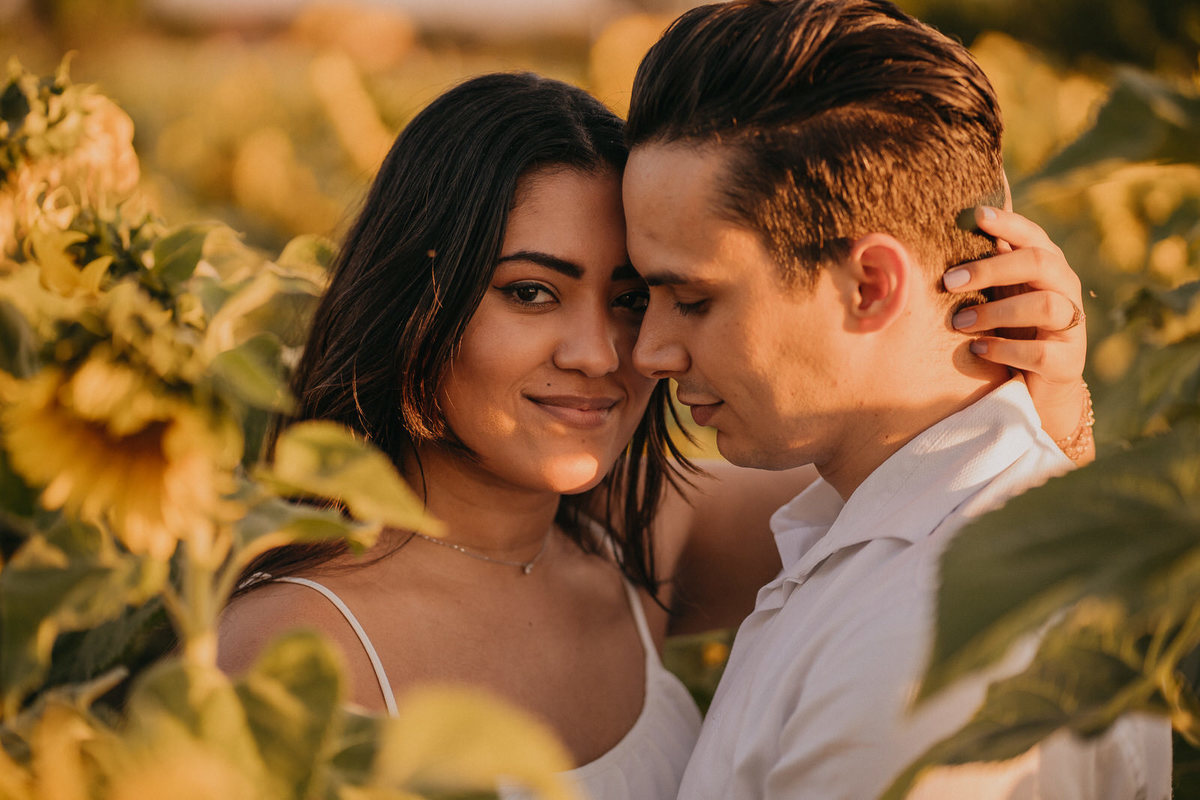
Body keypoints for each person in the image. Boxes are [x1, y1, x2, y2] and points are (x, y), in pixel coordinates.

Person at [218, 71, 1095, 800]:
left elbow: (952, 502)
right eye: (530, 292)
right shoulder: (294, 649)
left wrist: (1035, 379)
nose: (605, 353)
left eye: (637, 298)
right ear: (413, 300)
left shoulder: (636, 531)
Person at [621, 1, 1171, 798]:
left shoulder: (916, 659)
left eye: (694, 299)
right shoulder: (905, 534)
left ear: (871, 286)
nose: (649, 352)